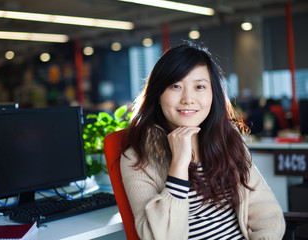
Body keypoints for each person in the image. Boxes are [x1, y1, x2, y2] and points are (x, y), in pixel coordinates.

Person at [120, 42, 285, 240]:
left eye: (199, 86)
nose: (188, 99)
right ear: (158, 94)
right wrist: (179, 165)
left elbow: (266, 213)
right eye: (176, 86)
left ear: (212, 93)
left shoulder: (227, 137)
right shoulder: (137, 159)